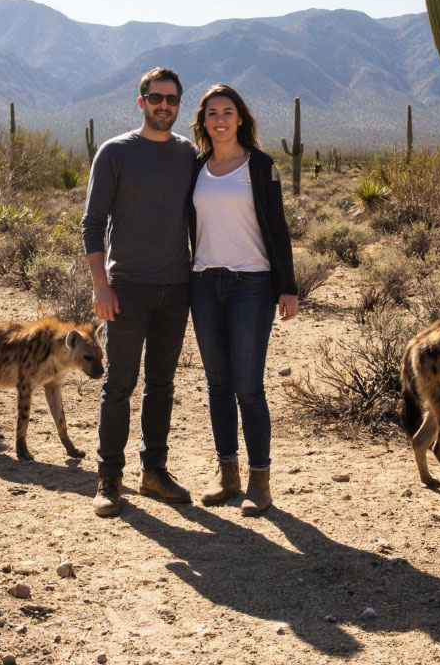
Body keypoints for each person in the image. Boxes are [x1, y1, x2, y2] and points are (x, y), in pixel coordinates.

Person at [81, 66, 197, 517]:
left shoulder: (189, 154)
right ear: (141, 101)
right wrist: (100, 285)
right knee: (119, 384)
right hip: (126, 286)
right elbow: (92, 223)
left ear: (178, 104)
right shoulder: (115, 153)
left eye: (171, 99)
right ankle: (109, 478)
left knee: (162, 385)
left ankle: (154, 473)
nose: (163, 105)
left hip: (177, 285)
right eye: (155, 98)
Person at [188, 84, 298, 516]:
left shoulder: (261, 166)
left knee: (249, 387)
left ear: (240, 118)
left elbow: (279, 228)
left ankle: (260, 481)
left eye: (227, 111)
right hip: (203, 283)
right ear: (203, 121)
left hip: (252, 284)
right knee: (217, 384)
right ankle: (227, 475)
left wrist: (286, 287)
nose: (220, 119)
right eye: (212, 112)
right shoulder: (195, 167)